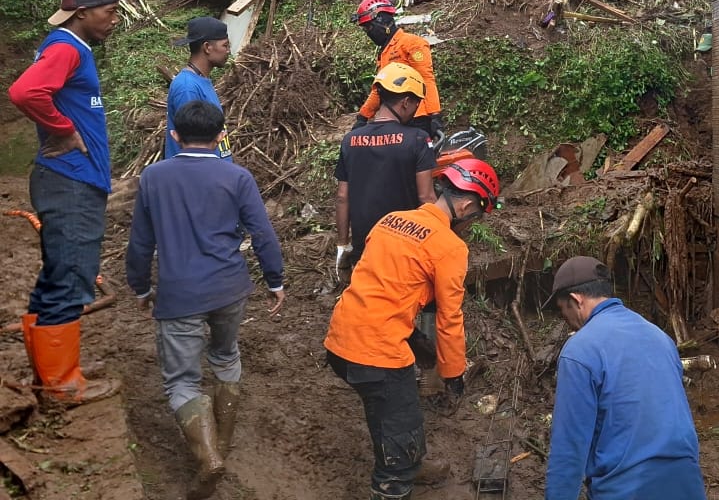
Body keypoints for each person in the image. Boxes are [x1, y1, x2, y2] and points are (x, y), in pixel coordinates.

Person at [125, 100, 285, 500]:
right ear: (220, 136)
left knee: (182, 379)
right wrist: (275, 280)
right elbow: (262, 232)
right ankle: (223, 443)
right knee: (226, 355)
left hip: (180, 294)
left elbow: (141, 242)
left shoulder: (153, 178)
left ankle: (209, 454)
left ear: (175, 136)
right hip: (231, 289)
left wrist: (141, 287)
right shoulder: (237, 176)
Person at [324, 158, 501, 500]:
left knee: (395, 408)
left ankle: (412, 460)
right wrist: (453, 373)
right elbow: (449, 318)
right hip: (377, 354)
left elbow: (382, 283)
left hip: (340, 339)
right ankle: (397, 477)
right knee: (395, 418)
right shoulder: (450, 247)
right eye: (477, 216)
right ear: (466, 205)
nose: (472, 224)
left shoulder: (392, 220)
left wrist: (418, 343)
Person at [6, 0, 122, 405]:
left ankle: (50, 374)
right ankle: (62, 386)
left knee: (58, 276)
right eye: (109, 13)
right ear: (82, 13)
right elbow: (24, 91)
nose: (114, 20)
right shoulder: (65, 47)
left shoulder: (69, 48)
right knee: (71, 278)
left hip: (70, 181)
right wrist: (63, 129)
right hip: (70, 182)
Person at [545, 256, 706, 500]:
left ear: (576, 300)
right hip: (686, 483)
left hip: (626, 488)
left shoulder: (580, 350)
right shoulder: (660, 338)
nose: (566, 320)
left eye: (562, 310)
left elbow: (569, 447)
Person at [335, 62, 437, 283]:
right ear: (406, 102)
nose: (415, 111)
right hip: (404, 245)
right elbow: (427, 198)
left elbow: (343, 197)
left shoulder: (350, 140)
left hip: (365, 247)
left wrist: (343, 245)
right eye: (416, 104)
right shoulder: (418, 140)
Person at [352, 0, 444, 143]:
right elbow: (379, 89)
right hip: (396, 120)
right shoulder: (385, 52)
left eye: (369, 27)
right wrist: (362, 117)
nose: (368, 33)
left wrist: (434, 115)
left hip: (417, 118)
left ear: (382, 21)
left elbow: (426, 79)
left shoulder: (411, 43)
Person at [166, 16, 233, 161]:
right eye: (225, 45)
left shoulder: (202, 81)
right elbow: (193, 147)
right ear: (207, 47)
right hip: (197, 179)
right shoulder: (187, 87)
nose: (228, 51)